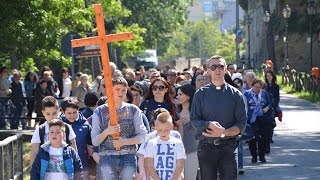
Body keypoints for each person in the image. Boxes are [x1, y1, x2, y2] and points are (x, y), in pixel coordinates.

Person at [191, 55, 247, 180]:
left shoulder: (236, 94)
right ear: (208, 70)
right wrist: (208, 125)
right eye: (214, 66)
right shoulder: (200, 94)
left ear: (226, 69)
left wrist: (223, 132)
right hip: (206, 147)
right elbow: (194, 120)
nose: (217, 70)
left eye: (221, 66)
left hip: (228, 147)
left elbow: (241, 123)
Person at [91, 77, 147, 180]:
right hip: (107, 156)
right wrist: (107, 131)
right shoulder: (99, 111)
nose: (121, 93)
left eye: (123, 90)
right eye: (117, 89)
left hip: (128, 155)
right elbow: (95, 141)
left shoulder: (133, 110)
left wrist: (124, 142)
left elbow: (143, 136)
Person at [136, 108, 181, 180]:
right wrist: (143, 173)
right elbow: (143, 157)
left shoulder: (176, 135)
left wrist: (181, 174)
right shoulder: (150, 137)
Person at [30, 96, 77, 165]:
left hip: (65, 170)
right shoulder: (39, 131)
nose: (51, 117)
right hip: (45, 170)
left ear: (59, 111)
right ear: (43, 113)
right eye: (48, 114)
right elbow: (34, 153)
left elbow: (74, 151)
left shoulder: (67, 128)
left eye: (54, 113)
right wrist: (34, 173)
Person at [145, 111, 186, 180]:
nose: (163, 132)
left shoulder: (178, 143)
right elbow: (149, 164)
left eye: (166, 130)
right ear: (155, 126)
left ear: (171, 127)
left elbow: (180, 164)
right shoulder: (151, 143)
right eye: (160, 130)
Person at [60, 97, 93, 179]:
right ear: (63, 112)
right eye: (69, 113)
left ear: (78, 110)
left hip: (82, 165)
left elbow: (91, 147)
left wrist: (93, 169)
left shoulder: (85, 125)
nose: (72, 116)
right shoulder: (58, 125)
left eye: (75, 112)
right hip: (62, 166)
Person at [243, 79, 273, 162]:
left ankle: (262, 156)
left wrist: (267, 108)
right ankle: (254, 156)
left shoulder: (264, 93)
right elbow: (243, 105)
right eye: (256, 87)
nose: (257, 89)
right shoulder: (246, 94)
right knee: (252, 137)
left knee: (263, 138)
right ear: (252, 86)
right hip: (251, 119)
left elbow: (270, 103)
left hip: (263, 118)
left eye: (259, 87)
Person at [176, 84, 198, 180]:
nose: (178, 97)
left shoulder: (196, 112)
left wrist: (192, 119)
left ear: (188, 95)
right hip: (176, 152)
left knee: (190, 177)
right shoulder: (175, 112)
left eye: (181, 94)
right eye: (177, 94)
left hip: (192, 151)